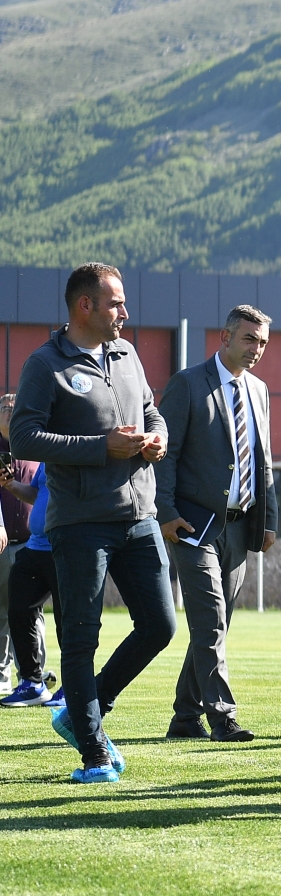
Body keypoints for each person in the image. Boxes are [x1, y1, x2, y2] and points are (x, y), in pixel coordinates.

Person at [10, 263, 174, 783]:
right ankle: (94, 754)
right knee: (80, 638)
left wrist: (158, 436)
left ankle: (85, 708)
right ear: (85, 306)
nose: (124, 312)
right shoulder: (45, 364)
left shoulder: (126, 355)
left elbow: (151, 411)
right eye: (115, 303)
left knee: (160, 626)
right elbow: (25, 438)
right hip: (79, 522)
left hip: (138, 515)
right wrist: (100, 448)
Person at [155, 305, 279, 743]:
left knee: (218, 623)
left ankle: (184, 717)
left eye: (262, 342)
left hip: (240, 526)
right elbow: (164, 455)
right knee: (209, 620)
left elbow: (263, 463)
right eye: (249, 339)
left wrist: (268, 520)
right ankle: (221, 716)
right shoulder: (188, 384)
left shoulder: (260, 391)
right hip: (193, 525)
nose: (257, 349)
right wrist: (166, 513)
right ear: (224, 338)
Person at [1, 460, 61, 708]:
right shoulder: (47, 457)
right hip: (36, 546)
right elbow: (37, 494)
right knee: (19, 610)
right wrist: (11, 484)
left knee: (70, 619)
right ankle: (32, 683)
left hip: (66, 546)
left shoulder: (77, 446)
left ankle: (74, 688)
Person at [0, 391, 37, 692]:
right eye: (4, 407)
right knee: (1, 613)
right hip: (1, 546)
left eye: (16, 406)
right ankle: (2, 677)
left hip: (32, 543)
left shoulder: (36, 446)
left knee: (32, 613)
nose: (11, 411)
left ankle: (36, 675)